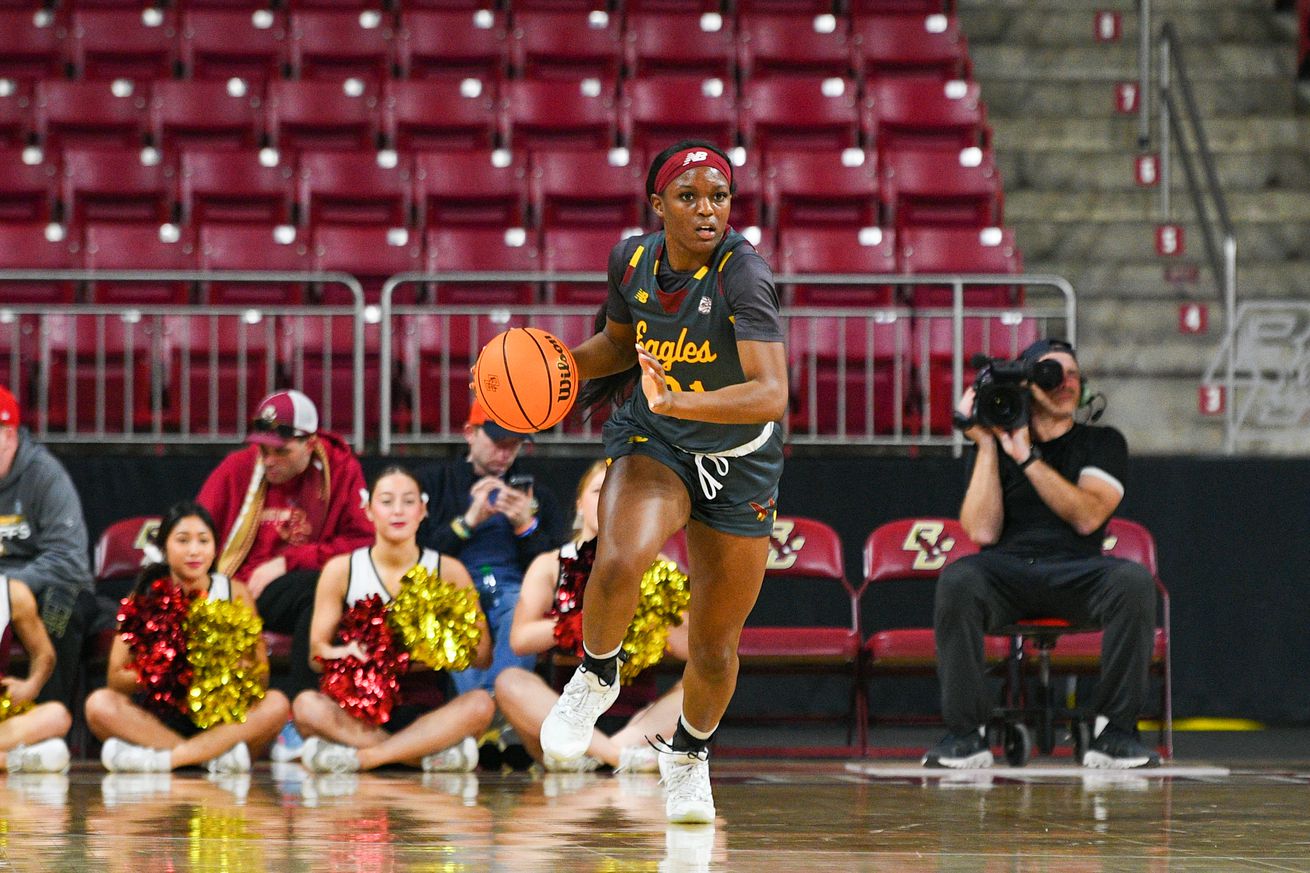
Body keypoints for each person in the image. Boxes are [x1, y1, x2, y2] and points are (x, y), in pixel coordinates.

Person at [538, 141, 788, 823]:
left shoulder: (745, 275)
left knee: (714, 644)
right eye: (689, 197)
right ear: (658, 204)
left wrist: (684, 400)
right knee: (621, 554)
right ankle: (595, 672)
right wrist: (549, 365)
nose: (707, 210)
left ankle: (687, 755)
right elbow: (619, 345)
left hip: (742, 461)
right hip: (659, 439)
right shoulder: (633, 260)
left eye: (719, 197)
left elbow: (770, 393)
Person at [924, 339, 1159, 770]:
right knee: (959, 578)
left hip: (1079, 572)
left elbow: (1088, 516)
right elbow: (981, 530)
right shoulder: (995, 445)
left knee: (1134, 582)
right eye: (1053, 374)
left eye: (1074, 374)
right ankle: (965, 735)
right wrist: (990, 446)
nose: (1066, 383)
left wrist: (1027, 457)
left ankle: (1117, 734)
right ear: (1028, 385)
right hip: (1008, 573)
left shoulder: (1102, 442)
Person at [196, 389, 373, 757]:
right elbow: (196, 528)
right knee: (322, 592)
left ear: (310, 444)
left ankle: (302, 716)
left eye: (281, 451)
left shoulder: (340, 470)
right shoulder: (238, 468)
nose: (268, 460)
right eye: (263, 450)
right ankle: (301, 716)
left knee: (323, 592)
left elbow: (364, 543)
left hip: (304, 586)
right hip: (240, 590)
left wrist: (292, 560)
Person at [292, 466, 496, 774]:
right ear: (368, 510)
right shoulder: (341, 569)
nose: (398, 511)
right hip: (358, 713)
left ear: (423, 510)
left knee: (481, 703)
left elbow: (482, 656)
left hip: (426, 711)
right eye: (386, 501)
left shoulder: (448, 569)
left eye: (408, 501)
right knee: (305, 705)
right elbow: (315, 656)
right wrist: (344, 655)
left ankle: (366, 758)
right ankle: (420, 756)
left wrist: (434, 652)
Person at [495, 460, 686, 773]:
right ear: (579, 504)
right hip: (560, 714)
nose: (610, 501)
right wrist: (581, 618)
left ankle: (608, 752)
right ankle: (616, 758)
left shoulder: (657, 566)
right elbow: (520, 639)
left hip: (637, 724)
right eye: (599, 491)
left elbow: (689, 649)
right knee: (508, 682)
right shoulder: (550, 564)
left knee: (702, 686)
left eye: (621, 493)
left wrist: (649, 615)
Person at [85, 501, 291, 773]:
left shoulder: (235, 593)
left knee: (277, 704)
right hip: (161, 722)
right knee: (98, 704)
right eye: (183, 540)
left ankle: (168, 760)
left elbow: (261, 676)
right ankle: (208, 759)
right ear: (164, 548)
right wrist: (166, 672)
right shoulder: (144, 596)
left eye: (203, 541)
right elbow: (115, 678)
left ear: (215, 548)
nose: (194, 550)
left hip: (224, 722)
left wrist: (228, 670)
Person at [415, 400, 565, 701]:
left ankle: (484, 711)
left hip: (514, 589)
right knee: (457, 613)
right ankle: (498, 709)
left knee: (520, 609)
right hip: (453, 590)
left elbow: (556, 567)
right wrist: (467, 522)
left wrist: (526, 526)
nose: (505, 454)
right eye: (498, 442)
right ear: (470, 433)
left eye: (515, 445)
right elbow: (418, 557)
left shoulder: (538, 493)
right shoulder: (433, 484)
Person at [0, 385, 101, 710]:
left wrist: (14, 586)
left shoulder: (45, 475)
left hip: (56, 588)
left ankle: (49, 723)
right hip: (4, 592)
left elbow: (69, 560)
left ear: (10, 434)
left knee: (60, 614)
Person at [0, 571, 73, 774]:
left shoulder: (12, 593)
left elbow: (44, 654)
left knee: (57, 715)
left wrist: (30, 686)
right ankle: (12, 760)